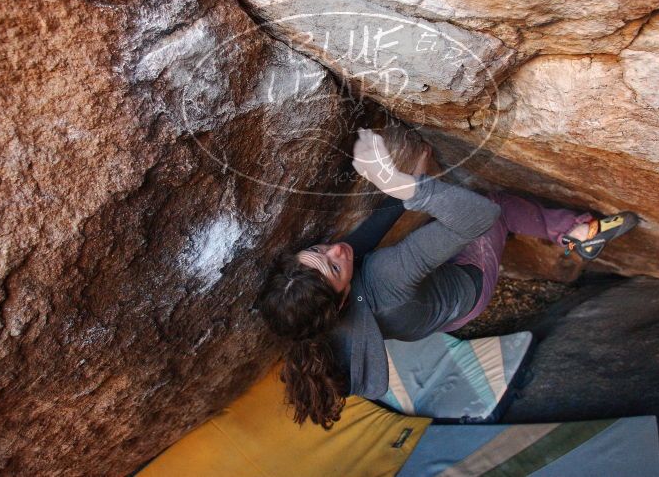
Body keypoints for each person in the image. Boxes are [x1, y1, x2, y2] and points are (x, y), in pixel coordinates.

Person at [257, 129, 638, 429]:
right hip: (468, 288)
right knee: (497, 205)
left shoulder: (312, 316)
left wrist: (406, 188)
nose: (335, 251)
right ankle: (577, 233)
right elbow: (480, 216)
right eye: (333, 267)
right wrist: (408, 187)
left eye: (320, 250)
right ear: (342, 301)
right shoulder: (384, 278)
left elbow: (356, 247)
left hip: (433, 311)